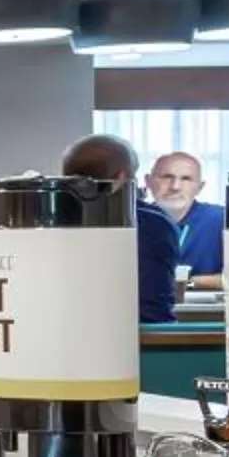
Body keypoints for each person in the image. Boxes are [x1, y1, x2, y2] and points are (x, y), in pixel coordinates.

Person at [61, 133, 178, 322]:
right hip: (135, 343)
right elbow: (153, 309)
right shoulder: (150, 224)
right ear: (122, 177)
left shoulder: (46, 221)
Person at [145, 150, 224, 287]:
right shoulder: (133, 221)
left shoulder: (221, 219)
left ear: (200, 187)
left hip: (208, 306)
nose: (175, 187)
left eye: (186, 179)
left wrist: (190, 282)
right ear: (148, 182)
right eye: (166, 177)